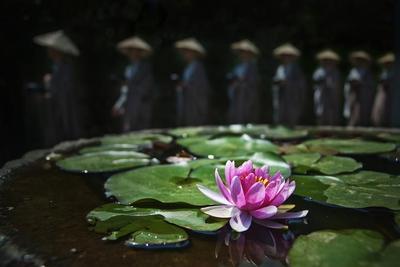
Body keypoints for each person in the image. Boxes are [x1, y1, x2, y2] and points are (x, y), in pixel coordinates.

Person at [33, 30, 82, 145]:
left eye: (50, 48)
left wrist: (50, 85)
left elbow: (66, 88)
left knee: (67, 130)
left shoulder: (66, 67)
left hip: (65, 105)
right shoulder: (56, 67)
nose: (48, 51)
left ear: (56, 50)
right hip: (57, 105)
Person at [112, 36, 155, 131]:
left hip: (141, 106)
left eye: (135, 51)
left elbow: (146, 88)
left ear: (140, 52)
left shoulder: (146, 68)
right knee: (128, 131)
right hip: (129, 107)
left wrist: (134, 93)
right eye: (131, 50)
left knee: (141, 131)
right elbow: (125, 90)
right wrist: (118, 105)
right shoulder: (128, 69)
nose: (133, 53)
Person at [174, 38, 210, 126]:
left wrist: (187, 86)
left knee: (194, 123)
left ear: (194, 53)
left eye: (187, 52)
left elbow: (202, 87)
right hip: (187, 101)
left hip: (195, 103)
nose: (185, 54)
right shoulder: (187, 68)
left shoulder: (199, 67)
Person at [272, 43, 307, 126]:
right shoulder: (280, 68)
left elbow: (301, 84)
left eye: (288, 56)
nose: (286, 58)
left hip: (292, 98)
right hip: (281, 96)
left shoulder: (296, 69)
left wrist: (289, 83)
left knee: (292, 118)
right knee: (280, 117)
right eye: (284, 56)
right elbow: (275, 81)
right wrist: (278, 82)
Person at [227, 39, 260, 124]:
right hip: (236, 93)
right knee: (235, 115)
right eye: (241, 52)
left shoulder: (252, 67)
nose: (242, 54)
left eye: (244, 52)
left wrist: (244, 83)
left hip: (246, 95)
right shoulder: (237, 66)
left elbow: (254, 81)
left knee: (246, 114)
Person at [343, 51, 374, 126]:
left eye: (361, 60)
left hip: (363, 96)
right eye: (358, 60)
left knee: (362, 112)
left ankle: (361, 129)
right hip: (353, 95)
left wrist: (361, 84)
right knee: (352, 110)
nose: (359, 62)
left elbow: (369, 85)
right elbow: (349, 83)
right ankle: (351, 129)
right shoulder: (353, 71)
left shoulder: (367, 72)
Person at [312, 49, 342, 125]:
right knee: (320, 111)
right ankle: (320, 129)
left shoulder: (335, 72)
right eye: (326, 60)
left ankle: (331, 129)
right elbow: (315, 81)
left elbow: (337, 84)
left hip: (332, 94)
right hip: (321, 93)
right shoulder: (319, 71)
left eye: (329, 60)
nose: (328, 62)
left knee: (332, 111)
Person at [371, 52, 395, 127]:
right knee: (378, 109)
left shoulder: (394, 73)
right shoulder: (384, 73)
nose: (387, 64)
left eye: (389, 63)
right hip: (381, 94)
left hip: (391, 95)